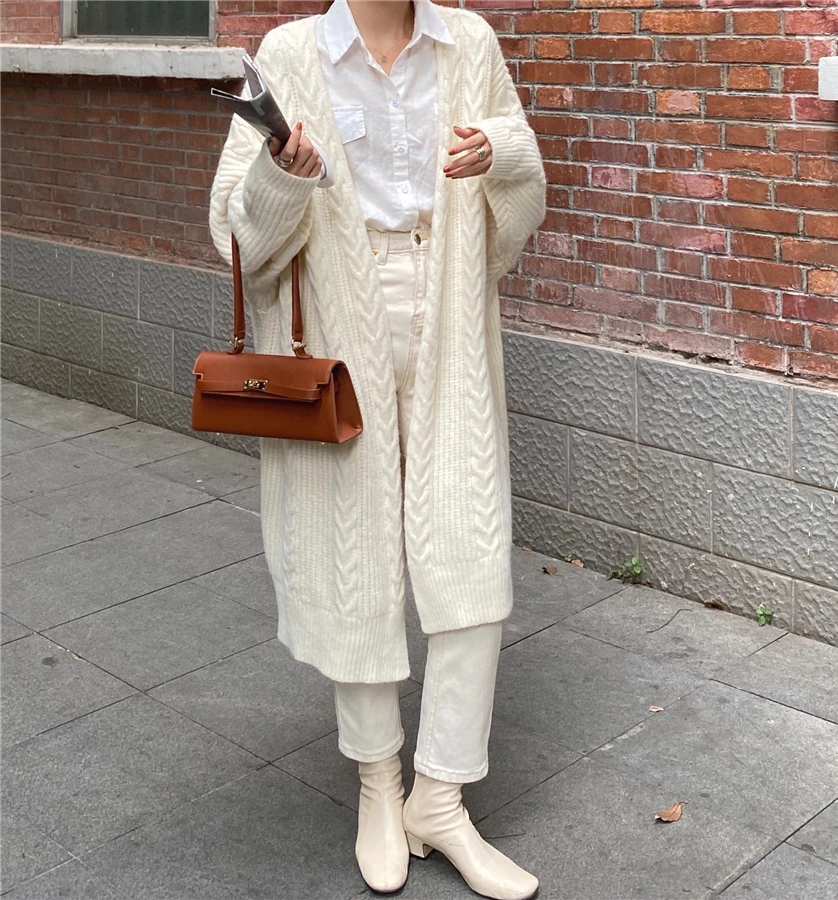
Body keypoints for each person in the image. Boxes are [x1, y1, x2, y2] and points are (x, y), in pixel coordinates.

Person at [208, 1, 546, 897]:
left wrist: (499, 155)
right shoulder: (291, 53)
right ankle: (377, 786)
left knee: (469, 544)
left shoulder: (468, 42)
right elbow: (237, 238)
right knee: (354, 554)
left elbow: (523, 189)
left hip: (448, 307)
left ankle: (441, 797)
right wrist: (283, 177)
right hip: (336, 322)